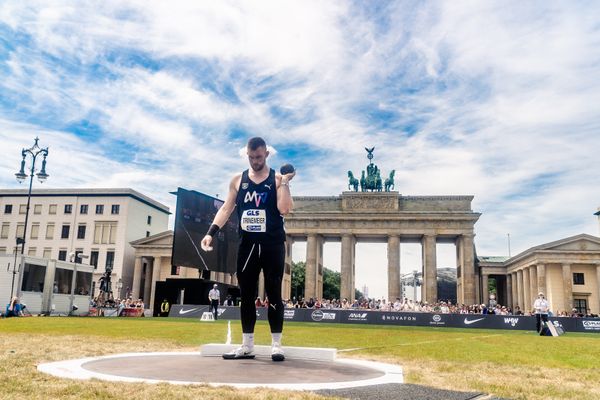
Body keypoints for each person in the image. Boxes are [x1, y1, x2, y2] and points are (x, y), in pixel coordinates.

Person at [201, 136, 294, 362]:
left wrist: (285, 183)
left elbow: (284, 209)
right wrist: (210, 233)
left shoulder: (277, 179)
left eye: (259, 157)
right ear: (247, 155)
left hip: (272, 244)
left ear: (266, 155)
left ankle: (276, 345)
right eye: (251, 158)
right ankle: (247, 345)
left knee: (273, 293)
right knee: (247, 294)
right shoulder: (237, 180)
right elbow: (226, 208)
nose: (255, 161)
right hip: (248, 245)